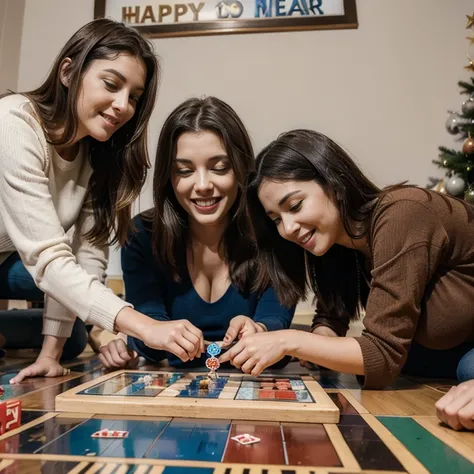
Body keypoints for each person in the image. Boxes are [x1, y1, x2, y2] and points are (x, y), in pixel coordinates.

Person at [0, 18, 202, 384]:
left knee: (72, 336)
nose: (123, 106)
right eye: (111, 84)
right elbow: (48, 258)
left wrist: (51, 355)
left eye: (135, 97)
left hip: (10, 261)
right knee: (74, 296)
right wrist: (145, 326)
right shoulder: (13, 122)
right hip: (25, 259)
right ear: (68, 71)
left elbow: (87, 254)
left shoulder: (97, 155)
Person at [220, 129, 474, 392]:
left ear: (334, 182)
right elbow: (331, 321)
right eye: (276, 219)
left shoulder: (402, 214)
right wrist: (278, 341)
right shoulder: (339, 243)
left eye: (295, 206)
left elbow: (381, 356)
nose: (287, 228)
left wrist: (288, 341)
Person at [98, 97, 295, 370]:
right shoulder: (140, 234)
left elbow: (276, 322)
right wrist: (145, 335)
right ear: (168, 177)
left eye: (219, 167)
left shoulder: (277, 229)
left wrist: (259, 329)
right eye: (185, 170)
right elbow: (150, 342)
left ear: (240, 167)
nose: (202, 185)